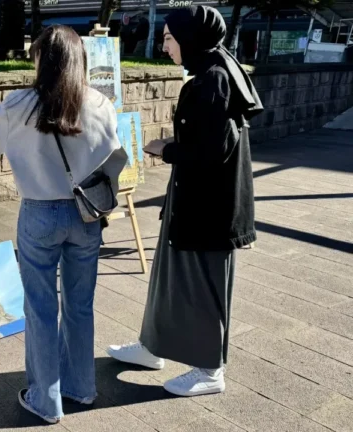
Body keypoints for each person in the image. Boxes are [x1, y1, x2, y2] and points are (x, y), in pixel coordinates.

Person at [0, 25, 124, 423]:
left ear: (43, 60)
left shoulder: (20, 104)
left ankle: (45, 398)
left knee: (40, 307)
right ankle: (81, 387)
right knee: (80, 305)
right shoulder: (100, 103)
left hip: (40, 213)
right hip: (87, 213)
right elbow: (115, 160)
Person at [107, 5, 263, 397]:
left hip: (208, 208)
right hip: (194, 200)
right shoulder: (216, 70)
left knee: (203, 284)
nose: (164, 46)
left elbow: (213, 150)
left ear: (191, 38)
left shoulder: (212, 81)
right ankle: (152, 346)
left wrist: (166, 148)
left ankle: (210, 370)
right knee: (168, 274)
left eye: (170, 37)